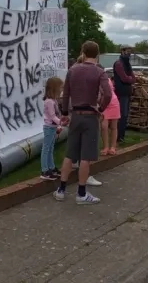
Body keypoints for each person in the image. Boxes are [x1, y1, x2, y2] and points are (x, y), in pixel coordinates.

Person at [54, 41, 112, 204]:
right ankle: (81, 194)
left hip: (76, 116)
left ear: (83, 52)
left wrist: (65, 112)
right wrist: (101, 108)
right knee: (85, 156)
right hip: (90, 116)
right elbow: (107, 94)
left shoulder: (72, 70)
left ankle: (61, 190)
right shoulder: (100, 72)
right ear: (97, 54)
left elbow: (66, 94)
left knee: (69, 154)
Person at [69, 55, 103, 187]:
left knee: (74, 146)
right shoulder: (88, 75)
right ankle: (83, 181)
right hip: (87, 113)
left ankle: (62, 188)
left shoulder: (73, 73)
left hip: (75, 112)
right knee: (87, 149)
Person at [40, 77, 65, 180]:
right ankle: (44, 170)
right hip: (49, 127)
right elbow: (52, 116)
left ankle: (51, 167)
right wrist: (61, 123)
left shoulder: (53, 100)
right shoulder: (49, 101)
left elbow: (57, 115)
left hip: (53, 127)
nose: (61, 90)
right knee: (46, 149)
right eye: (60, 87)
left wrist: (59, 125)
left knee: (50, 148)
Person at [113, 45, 136, 143]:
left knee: (125, 115)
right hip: (121, 92)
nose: (129, 53)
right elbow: (124, 78)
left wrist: (130, 79)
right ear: (122, 51)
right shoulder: (118, 63)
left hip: (127, 92)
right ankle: (118, 137)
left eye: (130, 51)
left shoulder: (127, 64)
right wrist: (130, 79)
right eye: (127, 51)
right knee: (122, 115)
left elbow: (133, 78)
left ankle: (122, 136)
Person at [99, 64, 120, 156]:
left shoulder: (105, 80)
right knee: (104, 127)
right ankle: (106, 147)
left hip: (113, 103)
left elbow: (105, 93)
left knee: (114, 127)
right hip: (104, 105)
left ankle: (113, 147)